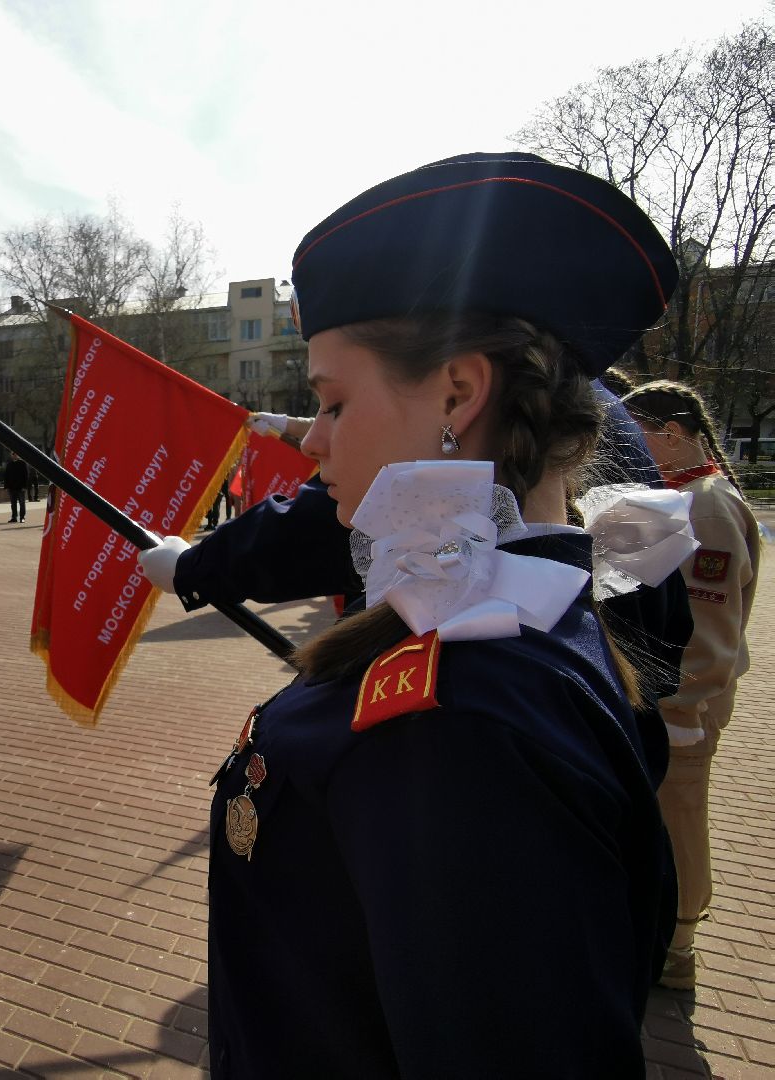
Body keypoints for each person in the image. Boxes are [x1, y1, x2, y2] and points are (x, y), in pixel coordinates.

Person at [160, 153, 680, 1078]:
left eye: (330, 401)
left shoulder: (454, 725)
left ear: (455, 394)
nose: (313, 440)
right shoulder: (524, 624)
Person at [622, 379, 761, 991]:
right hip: (658, 698)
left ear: (673, 434)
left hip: (682, 704)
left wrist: (681, 706)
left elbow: (709, 625)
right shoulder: (672, 494)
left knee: (680, 819)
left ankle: (680, 941)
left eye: (638, 433)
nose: (627, 445)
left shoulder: (704, 503)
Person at [3, 452, 29, 523]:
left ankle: (22, 517)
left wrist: (25, 486)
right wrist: (6, 486)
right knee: (13, 503)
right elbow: (6, 476)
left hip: (21, 487)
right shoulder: (9, 464)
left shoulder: (23, 463)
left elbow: (26, 476)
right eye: (13, 454)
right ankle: (14, 517)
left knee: (22, 503)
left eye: (16, 454)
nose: (14, 455)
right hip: (11, 488)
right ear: (11, 455)